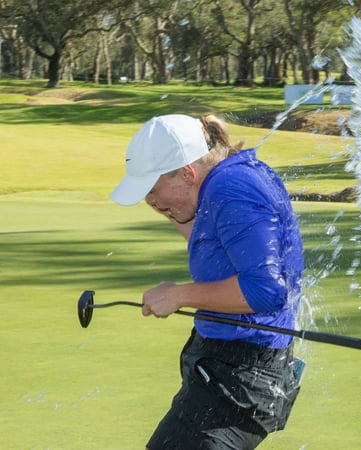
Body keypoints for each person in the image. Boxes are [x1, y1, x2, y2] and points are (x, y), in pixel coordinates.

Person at [110, 114, 305, 449]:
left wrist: (179, 295)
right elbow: (214, 246)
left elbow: (265, 290)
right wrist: (171, 207)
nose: (150, 202)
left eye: (153, 190)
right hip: (228, 369)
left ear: (187, 173)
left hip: (242, 375)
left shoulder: (232, 187)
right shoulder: (222, 182)